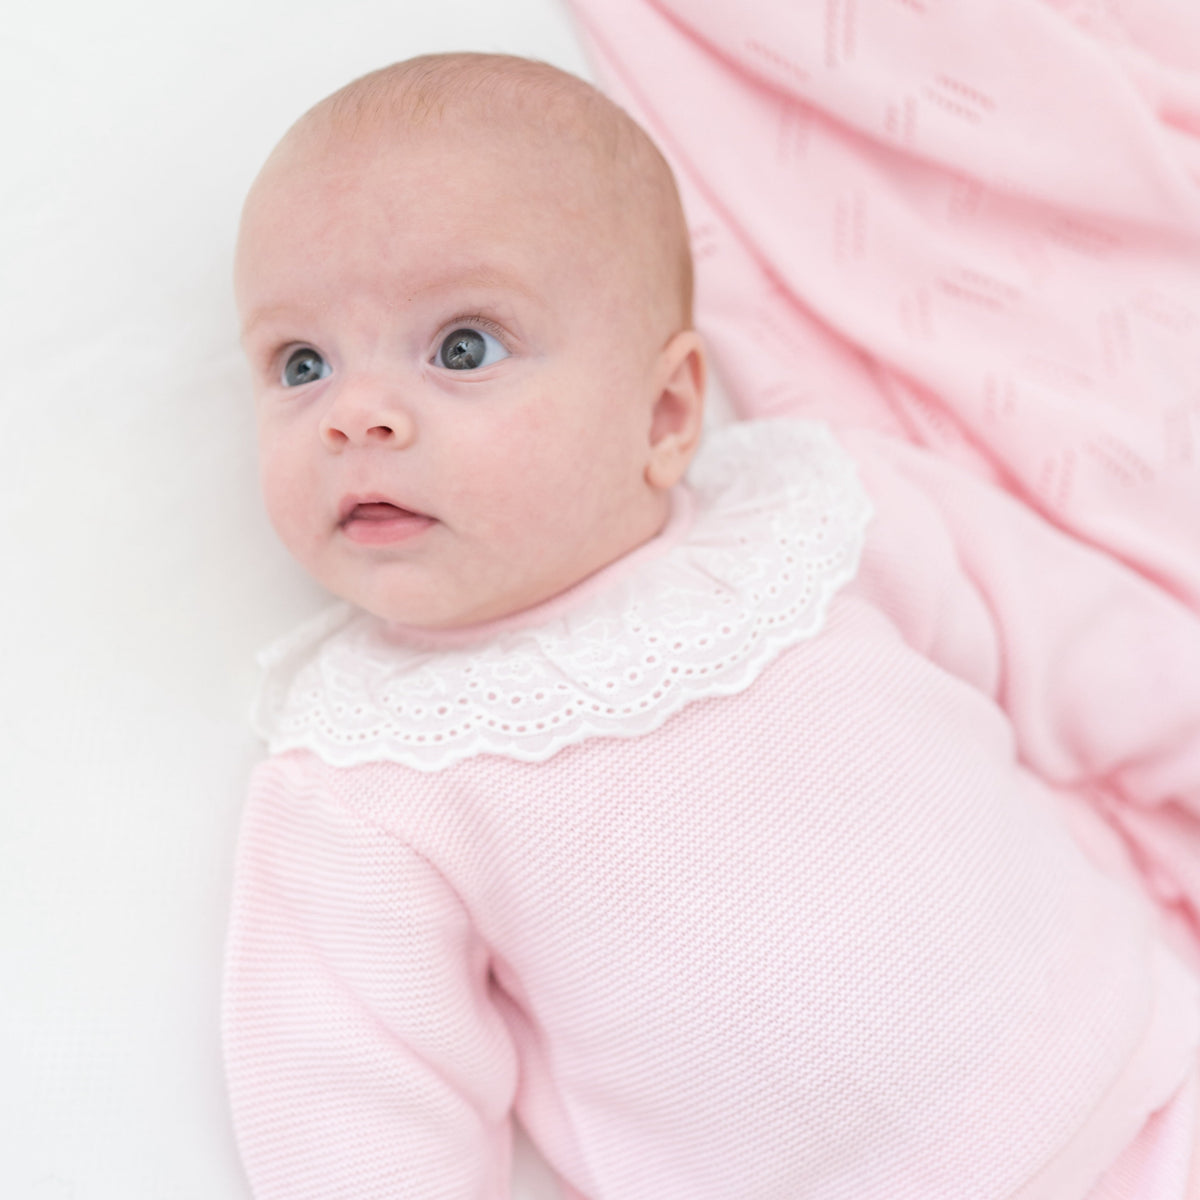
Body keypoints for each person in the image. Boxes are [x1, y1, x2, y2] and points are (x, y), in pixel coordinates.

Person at [223, 52, 1200, 1199]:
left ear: (667, 410)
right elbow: (357, 1106)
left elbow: (1102, 657)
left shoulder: (815, 518)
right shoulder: (368, 774)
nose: (355, 416)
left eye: (462, 348)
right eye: (301, 364)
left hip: (1151, 1072)